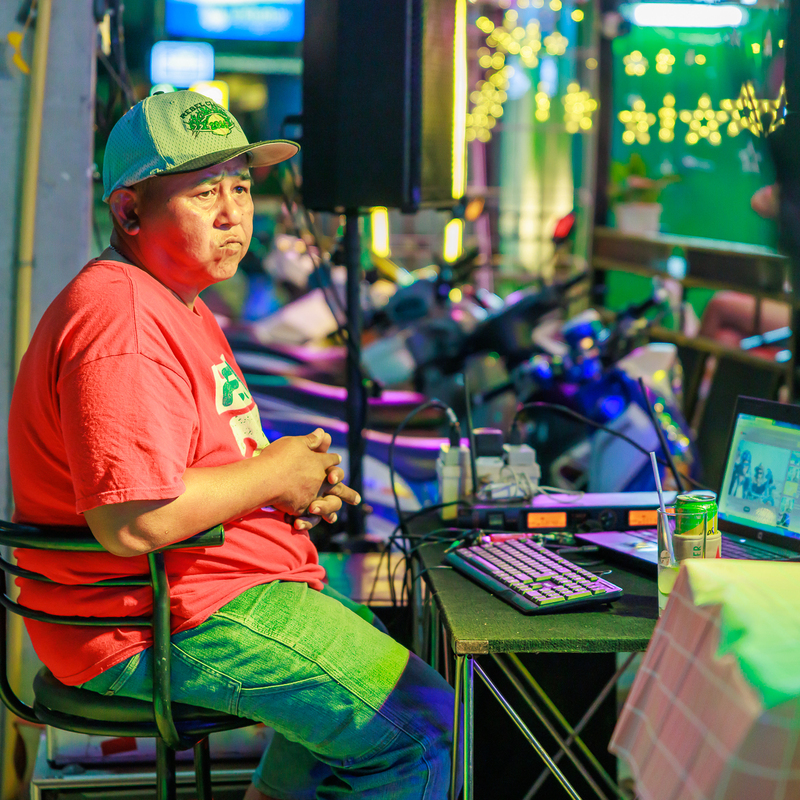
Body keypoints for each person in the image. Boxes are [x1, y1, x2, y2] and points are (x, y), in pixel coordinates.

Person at [8, 90, 458, 800]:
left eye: (242, 187)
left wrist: (290, 486)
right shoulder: (123, 320)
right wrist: (273, 474)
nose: (234, 213)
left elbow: (204, 466)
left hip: (204, 595)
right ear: (129, 212)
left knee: (378, 653)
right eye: (204, 192)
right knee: (425, 725)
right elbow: (135, 520)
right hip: (154, 624)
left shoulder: (176, 302)